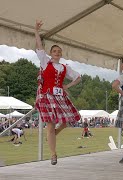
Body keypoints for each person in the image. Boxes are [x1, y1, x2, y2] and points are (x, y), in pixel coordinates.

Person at [34, 20, 81, 165]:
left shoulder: (65, 67)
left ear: (61, 54)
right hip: (47, 96)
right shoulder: (45, 62)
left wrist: (68, 86)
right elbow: (39, 46)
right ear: (50, 53)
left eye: (59, 51)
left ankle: (53, 134)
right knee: (50, 124)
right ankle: (53, 154)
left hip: (60, 97)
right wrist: (36, 31)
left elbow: (79, 77)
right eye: (54, 51)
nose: (57, 53)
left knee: (69, 120)